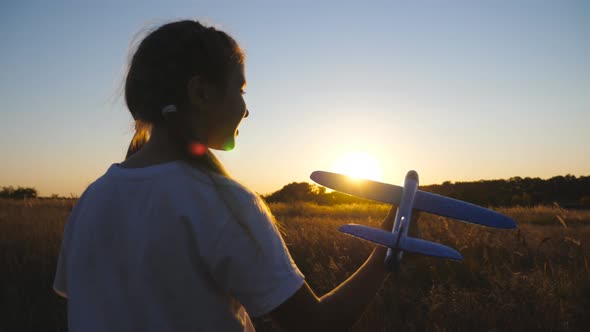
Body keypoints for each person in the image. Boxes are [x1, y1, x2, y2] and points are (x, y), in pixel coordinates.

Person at [53, 19, 407, 332]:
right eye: (240, 90)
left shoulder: (93, 197)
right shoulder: (224, 203)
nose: (246, 110)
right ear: (201, 93)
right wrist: (385, 253)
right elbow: (316, 324)